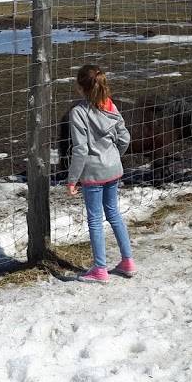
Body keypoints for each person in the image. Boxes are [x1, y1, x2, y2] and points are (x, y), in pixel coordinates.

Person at [65, 64, 137, 284]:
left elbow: (80, 149)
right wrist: (115, 155)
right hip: (113, 169)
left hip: (93, 174)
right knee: (113, 213)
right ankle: (128, 261)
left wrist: (72, 179)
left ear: (80, 87)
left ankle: (100, 269)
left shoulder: (78, 113)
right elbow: (124, 138)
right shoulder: (110, 107)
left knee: (95, 220)